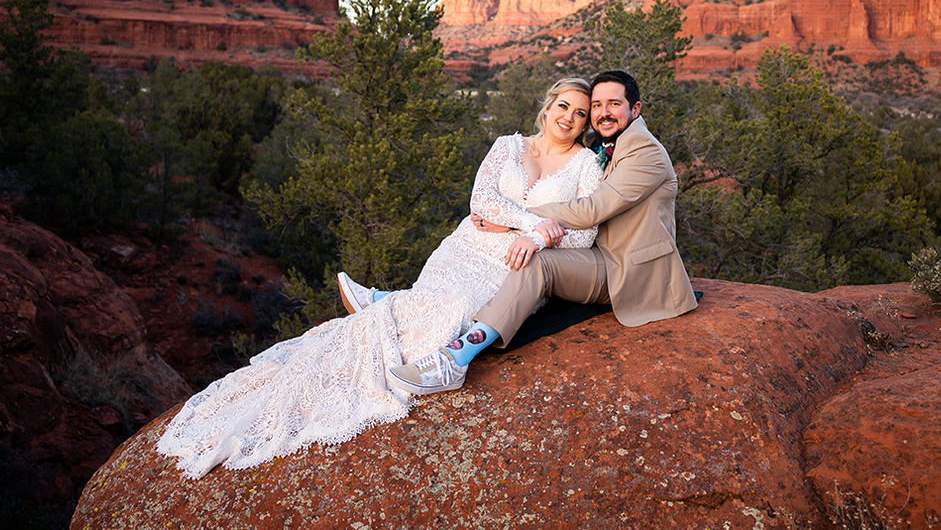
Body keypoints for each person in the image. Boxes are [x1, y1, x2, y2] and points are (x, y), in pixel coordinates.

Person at [156, 78, 602, 478]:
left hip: (514, 264)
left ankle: (382, 301)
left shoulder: (585, 165)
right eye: (564, 106)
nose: (569, 117)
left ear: (585, 123)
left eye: (580, 113)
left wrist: (532, 236)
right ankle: (384, 304)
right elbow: (480, 200)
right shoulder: (507, 145)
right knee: (437, 300)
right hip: (466, 248)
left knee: (453, 312)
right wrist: (529, 225)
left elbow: (583, 236)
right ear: (547, 107)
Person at [387, 70, 698, 395]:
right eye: (597, 105)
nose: (603, 112)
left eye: (614, 104)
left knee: (539, 261)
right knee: (533, 257)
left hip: (628, 269)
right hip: (598, 256)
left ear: (635, 109)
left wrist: (519, 221)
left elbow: (593, 210)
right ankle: (407, 304)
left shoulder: (643, 150)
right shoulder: (607, 145)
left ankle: (455, 358)